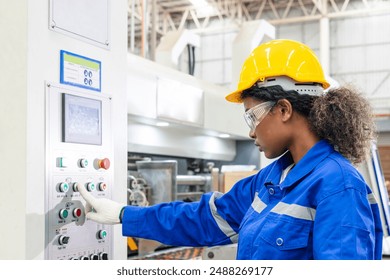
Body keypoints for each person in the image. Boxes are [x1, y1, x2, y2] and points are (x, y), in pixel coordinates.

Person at [78, 39, 383, 260]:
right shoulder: (271, 182)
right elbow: (201, 219)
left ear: (284, 109)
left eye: (253, 115)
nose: (251, 130)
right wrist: (123, 214)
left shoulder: (338, 187)